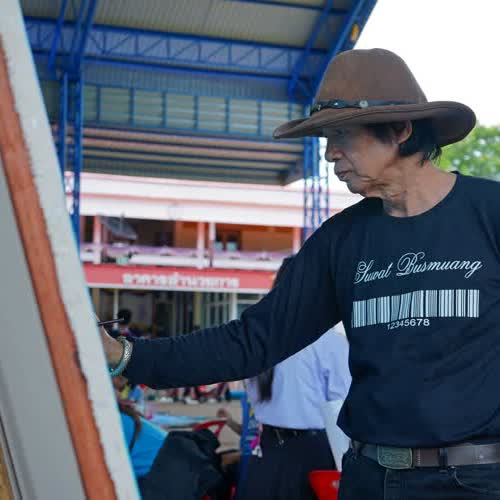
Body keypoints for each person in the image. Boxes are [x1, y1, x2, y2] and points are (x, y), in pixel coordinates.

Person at [99, 48, 500, 498]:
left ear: (401, 130)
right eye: (326, 138)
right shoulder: (341, 239)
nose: (329, 154)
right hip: (369, 479)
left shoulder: (489, 214)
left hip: (475, 481)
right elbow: (253, 341)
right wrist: (126, 355)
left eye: (341, 134)